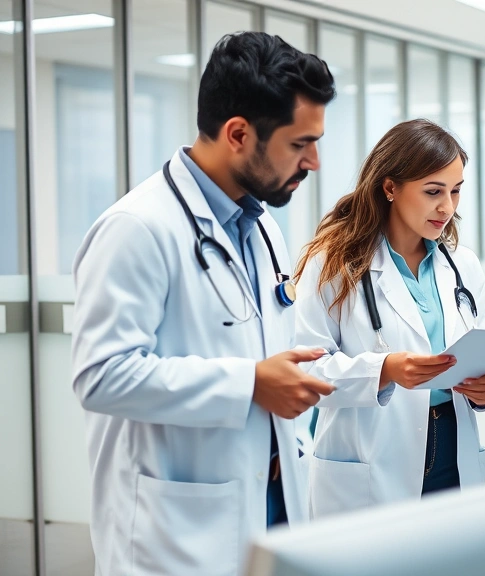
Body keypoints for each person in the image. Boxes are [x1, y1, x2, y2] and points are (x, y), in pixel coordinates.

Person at [71, 32, 337, 575]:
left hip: (268, 509)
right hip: (176, 532)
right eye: (298, 143)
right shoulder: (137, 228)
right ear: (238, 134)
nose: (312, 161)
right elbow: (100, 377)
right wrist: (249, 383)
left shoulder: (262, 230)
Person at [292, 119, 485, 517]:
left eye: (455, 191)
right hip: (371, 459)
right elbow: (305, 370)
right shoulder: (333, 264)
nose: (448, 207)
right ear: (390, 188)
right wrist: (383, 370)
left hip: (453, 447)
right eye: (433, 191)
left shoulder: (461, 265)